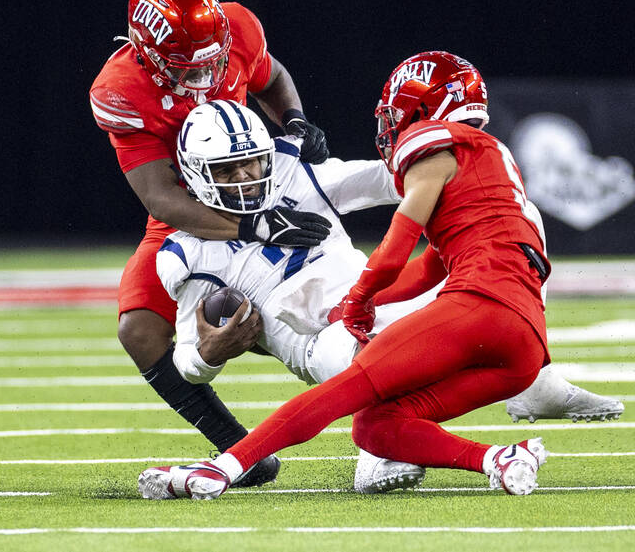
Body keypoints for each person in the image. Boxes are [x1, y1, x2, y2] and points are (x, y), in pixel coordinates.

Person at [138, 51, 563, 499]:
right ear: (197, 175)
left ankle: (528, 385)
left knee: (502, 241)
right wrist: (210, 353)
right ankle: (441, 442)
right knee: (354, 360)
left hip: (379, 300)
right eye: (228, 170)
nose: (246, 176)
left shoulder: (292, 172)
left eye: (253, 162)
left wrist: (466, 173)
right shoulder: (186, 253)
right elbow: (187, 361)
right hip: (324, 335)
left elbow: (390, 179)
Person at [88, 0, 334, 487]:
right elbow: (161, 196)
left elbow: (272, 76)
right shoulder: (120, 89)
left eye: (212, 61)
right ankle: (240, 451)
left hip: (260, 184)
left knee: (332, 300)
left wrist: (292, 121)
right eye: (185, 67)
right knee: (139, 329)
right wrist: (256, 227)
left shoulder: (238, 27)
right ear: (145, 51)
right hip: (191, 207)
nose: (203, 77)